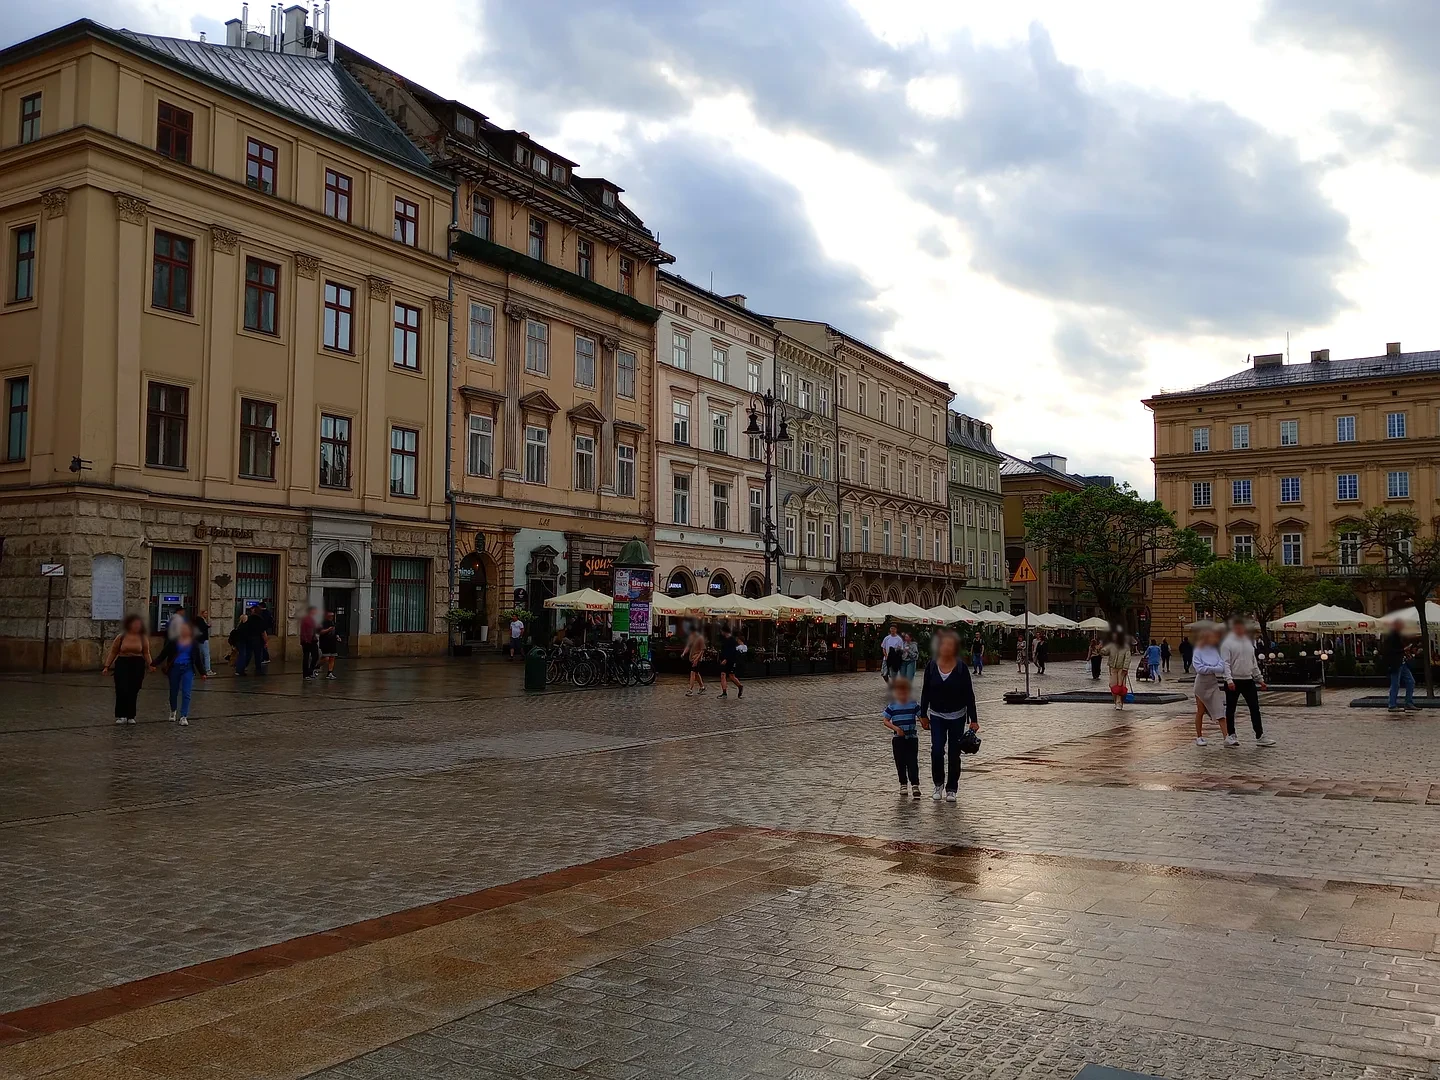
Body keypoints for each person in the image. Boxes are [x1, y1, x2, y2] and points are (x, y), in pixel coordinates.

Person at [918, 629, 978, 803]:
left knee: (954, 753)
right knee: (937, 750)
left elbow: (969, 694)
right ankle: (938, 783)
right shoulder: (931, 666)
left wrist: (973, 719)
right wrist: (923, 714)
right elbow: (925, 691)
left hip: (957, 716)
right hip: (936, 715)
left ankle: (952, 788)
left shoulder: (961, 668)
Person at [1221, 617, 1275, 747]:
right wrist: (1229, 680)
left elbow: (1253, 663)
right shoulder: (1227, 644)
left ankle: (1260, 735)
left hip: (1248, 680)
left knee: (1255, 708)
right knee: (1231, 709)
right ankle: (1231, 735)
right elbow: (1225, 663)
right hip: (1234, 680)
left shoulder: (1249, 644)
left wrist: (1260, 679)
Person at [102, 614, 152, 725]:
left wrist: (151, 664)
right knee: (121, 689)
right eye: (134, 624)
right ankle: (121, 715)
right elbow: (113, 651)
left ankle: (131, 715)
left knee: (134, 689)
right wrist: (107, 666)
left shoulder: (142, 637)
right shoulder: (121, 637)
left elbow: (146, 652)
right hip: (123, 663)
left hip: (137, 664)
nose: (136, 626)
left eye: (138, 624)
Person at [1190, 625, 1230, 746]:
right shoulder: (1197, 651)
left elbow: (1221, 666)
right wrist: (1213, 668)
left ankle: (1226, 736)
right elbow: (1199, 668)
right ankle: (1199, 736)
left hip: (1212, 682)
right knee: (1200, 710)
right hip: (1201, 684)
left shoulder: (1213, 651)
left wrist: (1209, 668)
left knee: (1219, 709)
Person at [884, 675, 922, 799]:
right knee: (900, 762)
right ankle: (903, 783)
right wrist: (896, 729)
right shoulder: (892, 706)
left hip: (911, 738)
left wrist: (926, 723)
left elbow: (921, 718)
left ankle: (915, 784)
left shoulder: (913, 704)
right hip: (898, 739)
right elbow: (886, 720)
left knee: (912, 761)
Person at [153, 619, 197, 726]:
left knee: (186, 692)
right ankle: (173, 711)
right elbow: (164, 653)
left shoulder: (193, 643)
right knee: (173, 692)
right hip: (175, 668)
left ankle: (183, 716)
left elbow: (198, 658)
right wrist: (154, 663)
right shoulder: (173, 642)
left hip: (188, 668)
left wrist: (203, 672)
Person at [1379, 618, 1416, 714]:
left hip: (1401, 662)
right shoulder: (1391, 636)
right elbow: (1389, 651)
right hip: (1395, 663)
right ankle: (1392, 705)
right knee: (1395, 684)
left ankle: (1408, 702)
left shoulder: (1398, 635)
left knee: (1410, 681)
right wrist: (1404, 650)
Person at [1103, 630, 1131, 710]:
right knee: (1112, 685)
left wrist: (1125, 668)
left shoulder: (1125, 647)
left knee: (1120, 686)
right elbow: (1105, 651)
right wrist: (1100, 649)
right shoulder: (1112, 645)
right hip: (1113, 668)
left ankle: (1119, 703)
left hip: (1121, 669)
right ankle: (1116, 701)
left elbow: (1128, 658)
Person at [234, 611, 266, 675]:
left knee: (245, 655)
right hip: (244, 642)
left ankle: (241, 668)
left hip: (245, 642)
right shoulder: (244, 626)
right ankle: (240, 670)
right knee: (244, 655)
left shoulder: (240, 626)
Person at [718, 626, 745, 699]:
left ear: (724, 631)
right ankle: (724, 693)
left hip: (731, 661)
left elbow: (732, 652)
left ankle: (740, 686)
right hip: (724, 660)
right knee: (723, 675)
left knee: (731, 676)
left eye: (722, 631)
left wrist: (726, 659)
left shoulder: (732, 640)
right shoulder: (723, 639)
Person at [684, 626, 707, 697]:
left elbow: (702, 650)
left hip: (697, 658)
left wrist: (697, 659)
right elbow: (688, 646)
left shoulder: (700, 638)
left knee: (693, 673)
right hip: (692, 658)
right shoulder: (691, 637)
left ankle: (690, 689)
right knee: (696, 673)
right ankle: (702, 687)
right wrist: (684, 653)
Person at [299, 606, 320, 681]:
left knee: (313, 656)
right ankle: (307, 673)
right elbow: (305, 631)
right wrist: (305, 640)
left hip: (311, 640)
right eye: (314, 610)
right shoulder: (307, 619)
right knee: (308, 657)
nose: (316, 612)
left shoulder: (312, 619)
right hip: (308, 641)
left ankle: (309, 672)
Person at [318, 611, 340, 679]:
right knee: (326, 658)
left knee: (332, 657)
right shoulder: (322, 623)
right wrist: (328, 630)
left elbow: (335, 632)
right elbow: (321, 632)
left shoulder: (333, 623)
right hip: (325, 642)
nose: (331, 617)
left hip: (332, 643)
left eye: (332, 616)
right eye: (330, 616)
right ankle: (316, 667)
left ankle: (330, 672)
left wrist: (337, 637)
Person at [192, 609, 213, 677]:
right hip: (203, 639)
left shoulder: (198, 620)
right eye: (205, 613)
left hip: (199, 639)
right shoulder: (201, 620)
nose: (206, 615)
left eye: (207, 613)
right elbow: (202, 628)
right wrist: (208, 626)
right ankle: (207, 670)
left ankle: (201, 669)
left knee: (200, 655)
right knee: (206, 655)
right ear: (202, 614)